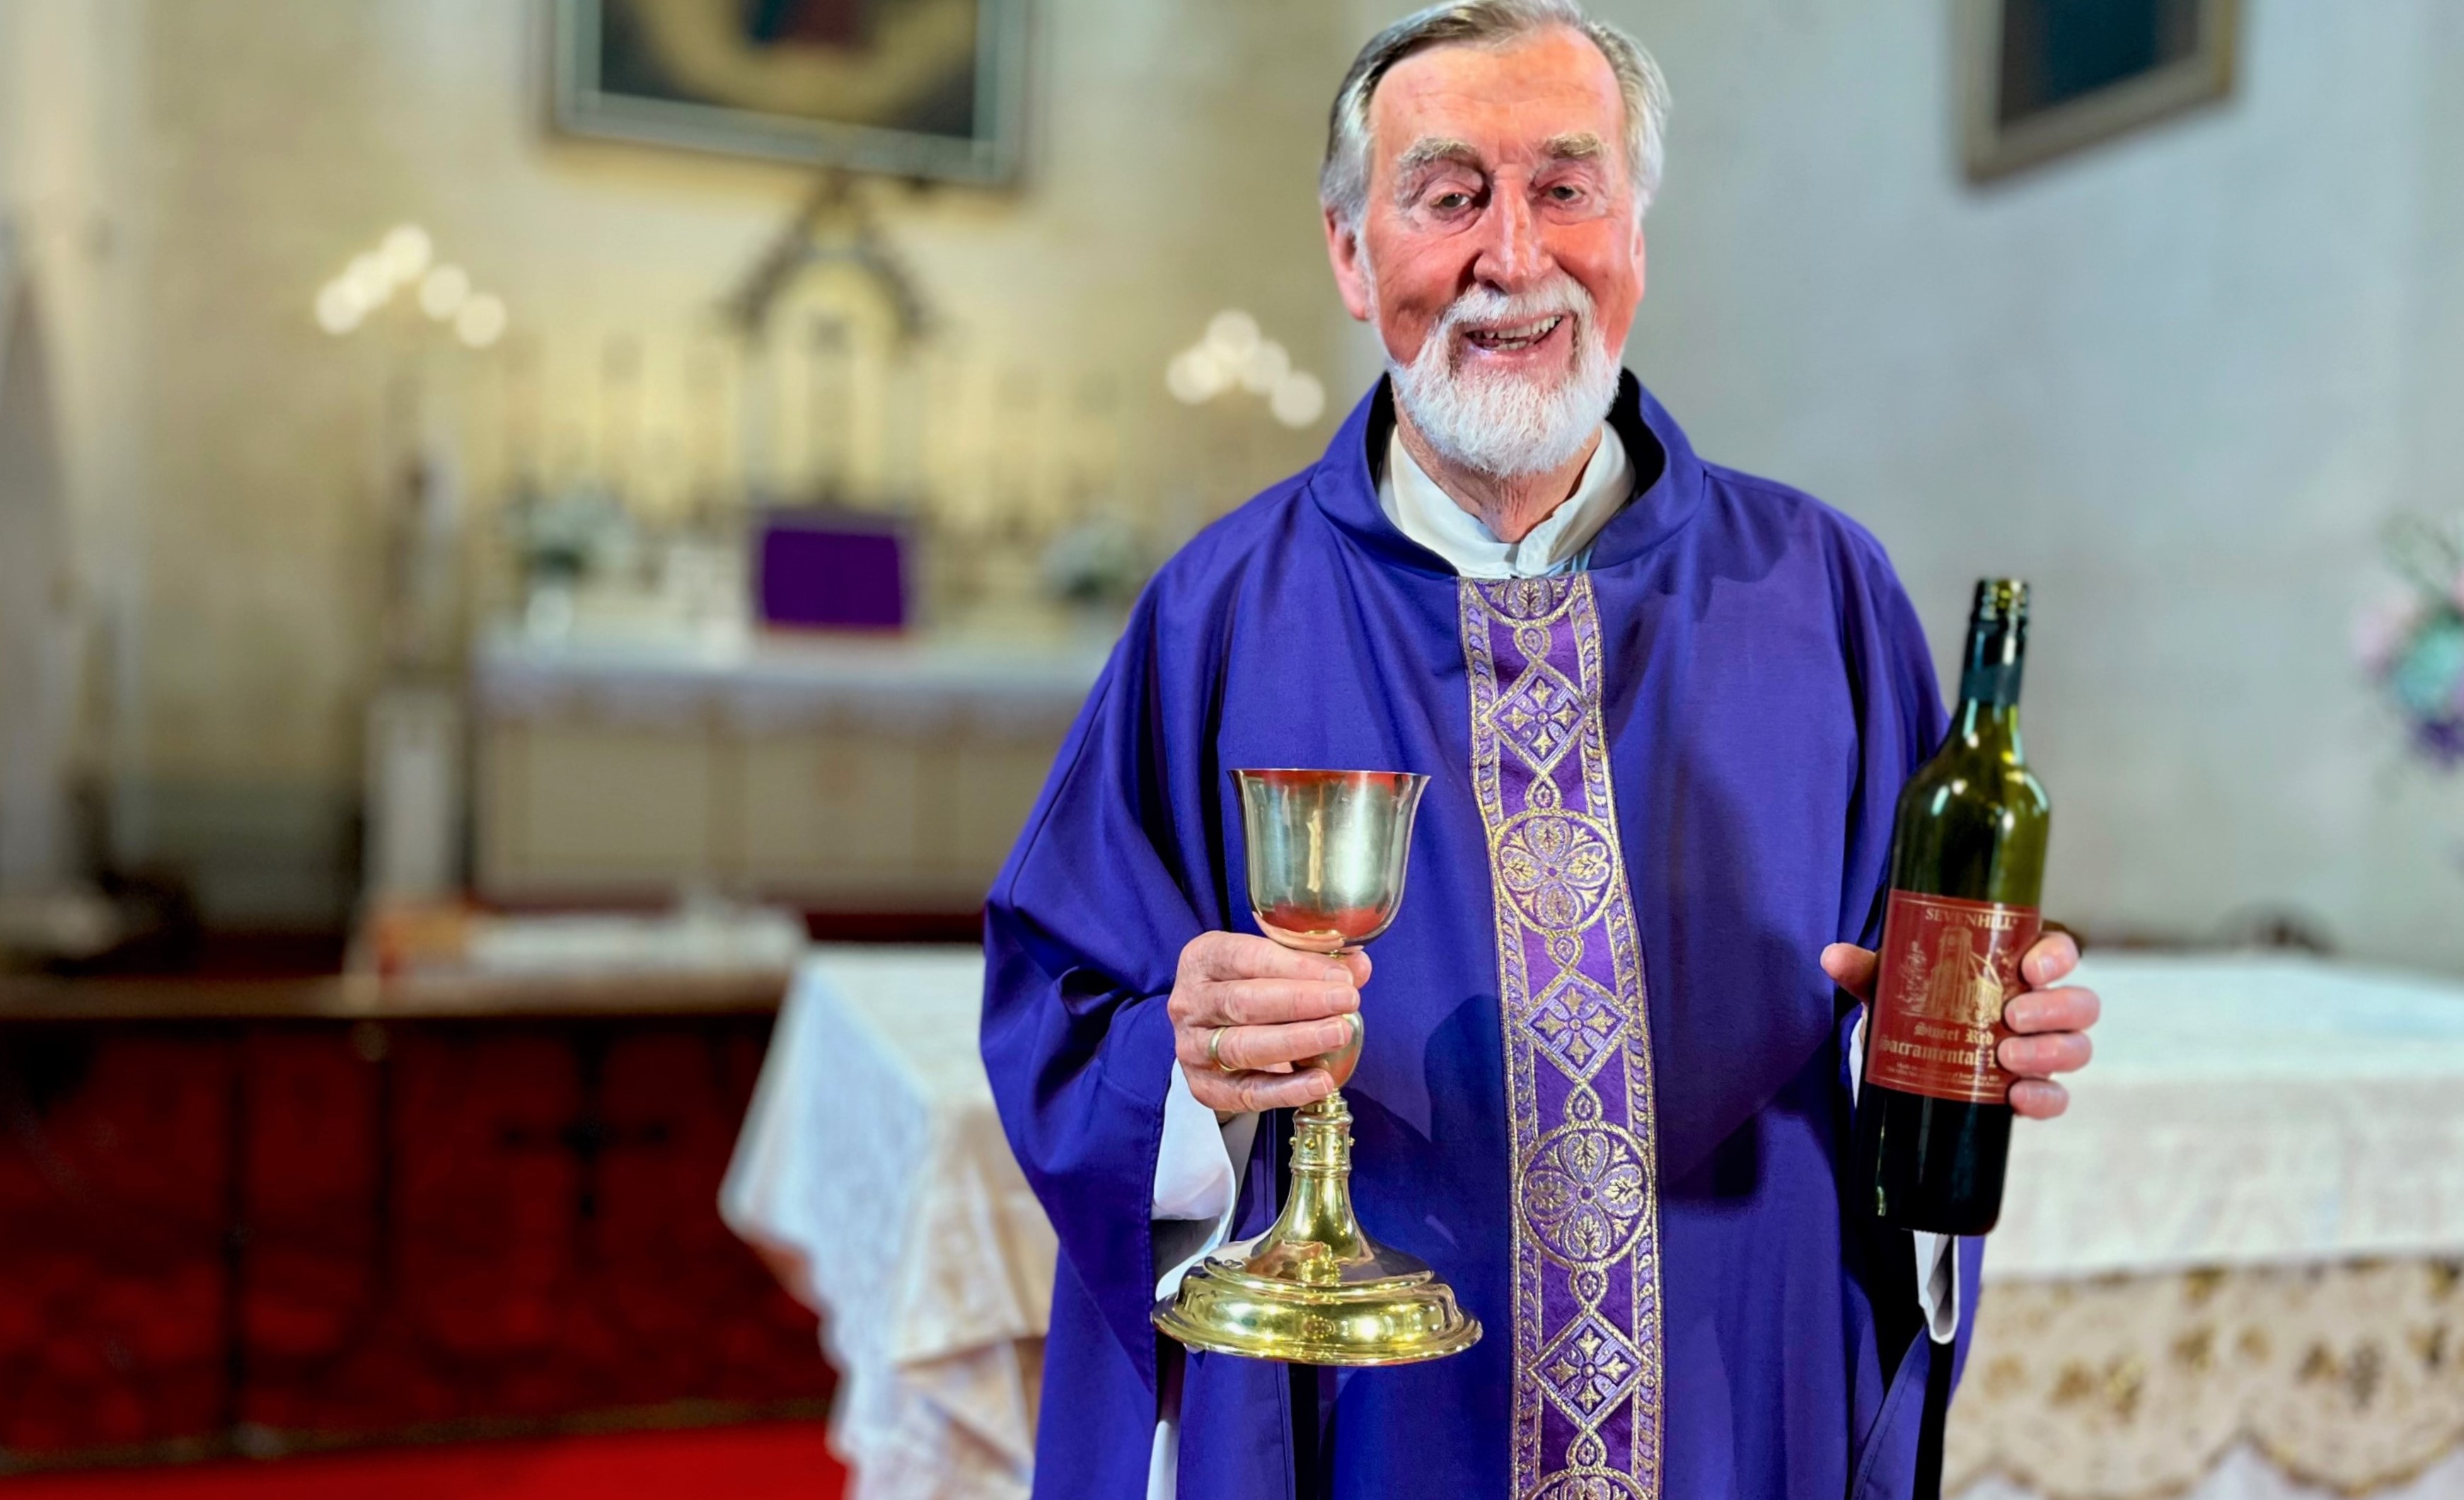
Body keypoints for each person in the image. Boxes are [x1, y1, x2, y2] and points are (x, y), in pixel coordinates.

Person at [979, 3, 2100, 1496]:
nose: (1513, 255)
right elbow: (1059, 1023)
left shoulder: (1819, 591)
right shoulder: (1224, 612)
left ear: (1632, 230)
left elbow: (1896, 1022)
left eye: (1565, 188)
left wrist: (1958, 1050)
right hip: (1365, 1428)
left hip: (1730, 1389)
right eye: (1445, 197)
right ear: (1349, 253)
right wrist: (1190, 1066)